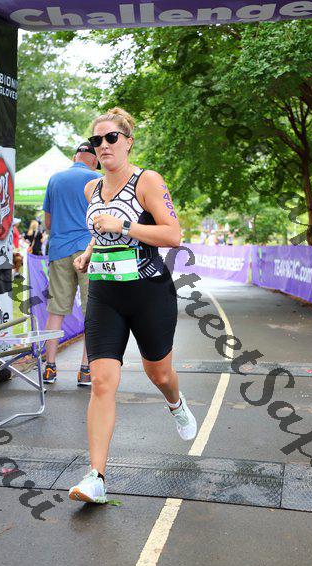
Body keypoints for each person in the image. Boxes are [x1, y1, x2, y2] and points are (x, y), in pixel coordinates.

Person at [68, 107, 197, 504]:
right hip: (105, 293)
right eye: (97, 140)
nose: (103, 145)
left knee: (159, 373)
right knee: (102, 382)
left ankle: (176, 404)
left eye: (111, 138)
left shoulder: (147, 181)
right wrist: (89, 252)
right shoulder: (91, 189)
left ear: (127, 142)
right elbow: (100, 230)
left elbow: (173, 235)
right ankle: (96, 477)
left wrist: (124, 225)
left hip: (149, 293)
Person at [42, 142, 101, 386]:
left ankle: (49, 367)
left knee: (56, 310)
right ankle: (85, 370)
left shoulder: (55, 179)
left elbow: (47, 223)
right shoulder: (97, 179)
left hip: (59, 250)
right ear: (94, 160)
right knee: (92, 311)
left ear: (75, 157)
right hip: (88, 251)